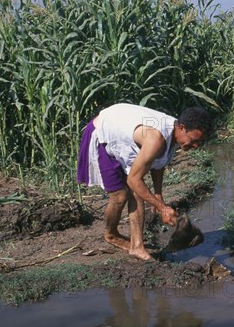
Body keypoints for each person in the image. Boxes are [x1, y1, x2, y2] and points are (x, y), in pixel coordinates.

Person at [77, 103, 211, 261]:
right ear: (182, 128)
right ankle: (113, 236)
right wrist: (163, 208)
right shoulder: (155, 138)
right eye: (193, 140)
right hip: (102, 133)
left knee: (136, 192)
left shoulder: (174, 133)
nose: (195, 146)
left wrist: (158, 195)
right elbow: (134, 180)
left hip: (122, 130)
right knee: (121, 196)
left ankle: (136, 245)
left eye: (198, 142)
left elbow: (159, 161)